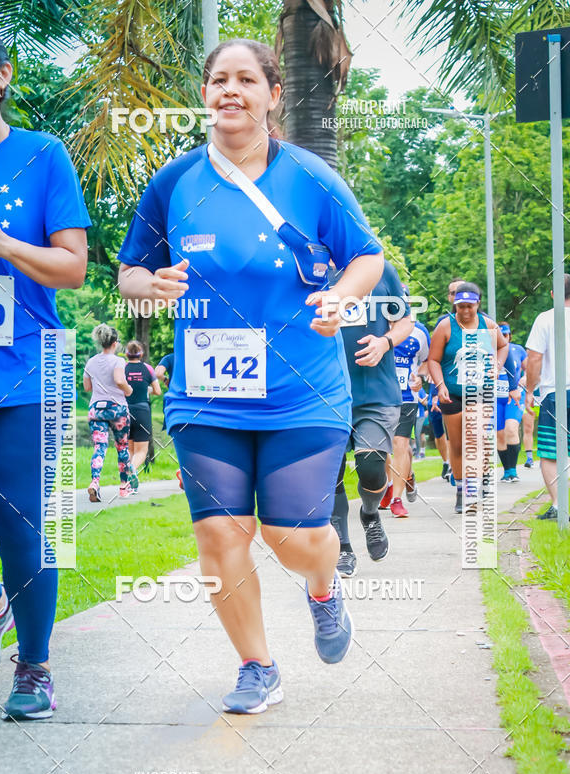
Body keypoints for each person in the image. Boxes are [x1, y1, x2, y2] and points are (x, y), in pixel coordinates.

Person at [117, 38, 385, 714]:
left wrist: (341, 298)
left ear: (273, 93)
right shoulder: (174, 182)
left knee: (292, 538)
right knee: (219, 534)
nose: (229, 90)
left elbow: (367, 258)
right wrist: (149, 286)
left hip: (303, 390)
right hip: (207, 395)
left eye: (245, 79)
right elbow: (127, 273)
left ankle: (322, 588)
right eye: (217, 80)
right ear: (205, 94)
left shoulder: (311, 178)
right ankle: (257, 665)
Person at [0, 26, 90, 718]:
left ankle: (35, 667)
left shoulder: (42, 156)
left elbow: (72, 269)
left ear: (3, 75)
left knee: (19, 523)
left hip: (25, 368)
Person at [331, 260, 413, 573]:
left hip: (375, 391)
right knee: (331, 475)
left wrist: (384, 342)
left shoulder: (381, 270)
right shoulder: (308, 269)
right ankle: (342, 547)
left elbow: (405, 321)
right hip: (326, 391)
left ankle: (369, 513)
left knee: (371, 466)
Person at [428, 283, 508, 513]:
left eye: (469, 306)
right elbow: (433, 360)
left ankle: (477, 483)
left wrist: (498, 364)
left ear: (478, 304)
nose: (464, 311)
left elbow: (503, 346)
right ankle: (462, 490)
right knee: (458, 444)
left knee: (475, 437)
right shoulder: (446, 326)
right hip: (452, 393)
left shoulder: (487, 324)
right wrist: (440, 385)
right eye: (460, 306)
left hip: (480, 391)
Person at [525, 274, 570, 520]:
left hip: (555, 392)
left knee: (551, 452)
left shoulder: (545, 319)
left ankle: (557, 505)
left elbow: (534, 358)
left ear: (552, 294)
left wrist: (530, 390)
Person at [381, 320, 429, 518]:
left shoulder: (419, 331)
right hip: (379, 396)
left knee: (400, 443)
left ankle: (396, 499)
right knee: (381, 447)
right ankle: (395, 482)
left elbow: (427, 361)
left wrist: (421, 378)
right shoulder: (374, 325)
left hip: (407, 397)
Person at [83, 325, 135, 500]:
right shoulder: (118, 361)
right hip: (117, 409)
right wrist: (129, 390)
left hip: (96, 409)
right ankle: (123, 488)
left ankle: (95, 483)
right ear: (115, 343)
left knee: (100, 447)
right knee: (122, 448)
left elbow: (87, 387)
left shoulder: (90, 362)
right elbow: (120, 380)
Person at [125, 339, 161, 483]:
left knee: (129, 448)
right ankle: (133, 469)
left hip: (125, 411)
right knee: (141, 450)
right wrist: (145, 388)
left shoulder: (122, 368)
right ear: (141, 354)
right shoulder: (148, 369)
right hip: (142, 411)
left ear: (127, 354)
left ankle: (128, 481)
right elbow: (157, 391)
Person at [498, 322, 526, 482]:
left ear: (510, 335)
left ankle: (514, 471)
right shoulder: (489, 350)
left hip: (513, 397)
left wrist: (525, 378)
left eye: (506, 335)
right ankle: (507, 471)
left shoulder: (517, 350)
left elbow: (530, 368)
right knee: (499, 435)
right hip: (495, 398)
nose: (504, 338)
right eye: (501, 335)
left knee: (511, 428)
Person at [427, 379, 451, 479]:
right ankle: (446, 462)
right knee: (438, 435)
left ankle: (451, 466)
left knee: (451, 434)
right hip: (432, 400)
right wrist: (434, 395)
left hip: (450, 397)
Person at [414, 385, 428, 459]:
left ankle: (419, 453)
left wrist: (417, 397)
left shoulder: (421, 390)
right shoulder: (409, 388)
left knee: (418, 435)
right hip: (411, 415)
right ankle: (413, 452)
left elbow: (425, 403)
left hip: (420, 416)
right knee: (410, 436)